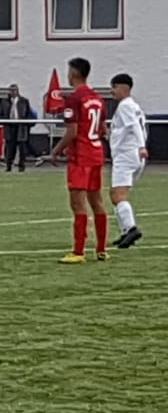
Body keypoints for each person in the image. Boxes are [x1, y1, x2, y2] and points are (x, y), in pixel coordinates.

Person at [51, 57, 109, 264]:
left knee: (78, 204)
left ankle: (78, 251)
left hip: (81, 157)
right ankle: (101, 250)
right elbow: (103, 129)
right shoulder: (98, 99)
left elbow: (72, 131)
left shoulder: (74, 99)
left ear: (74, 73)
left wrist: (56, 150)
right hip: (96, 154)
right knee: (97, 202)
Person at [109, 73, 148, 249]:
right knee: (115, 194)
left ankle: (131, 229)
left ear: (124, 87)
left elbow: (134, 126)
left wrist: (141, 146)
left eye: (114, 87)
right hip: (133, 155)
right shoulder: (134, 106)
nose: (112, 91)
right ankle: (125, 230)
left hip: (126, 155)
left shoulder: (125, 106)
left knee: (119, 194)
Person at [3, 84, 35, 172]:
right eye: (11, 90)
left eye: (14, 90)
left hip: (21, 127)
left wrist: (28, 124)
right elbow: (1, 114)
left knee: (22, 148)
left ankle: (22, 166)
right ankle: (8, 166)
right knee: (10, 148)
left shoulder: (24, 101)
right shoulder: (4, 102)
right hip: (10, 127)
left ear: (18, 91)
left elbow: (28, 114)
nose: (13, 92)